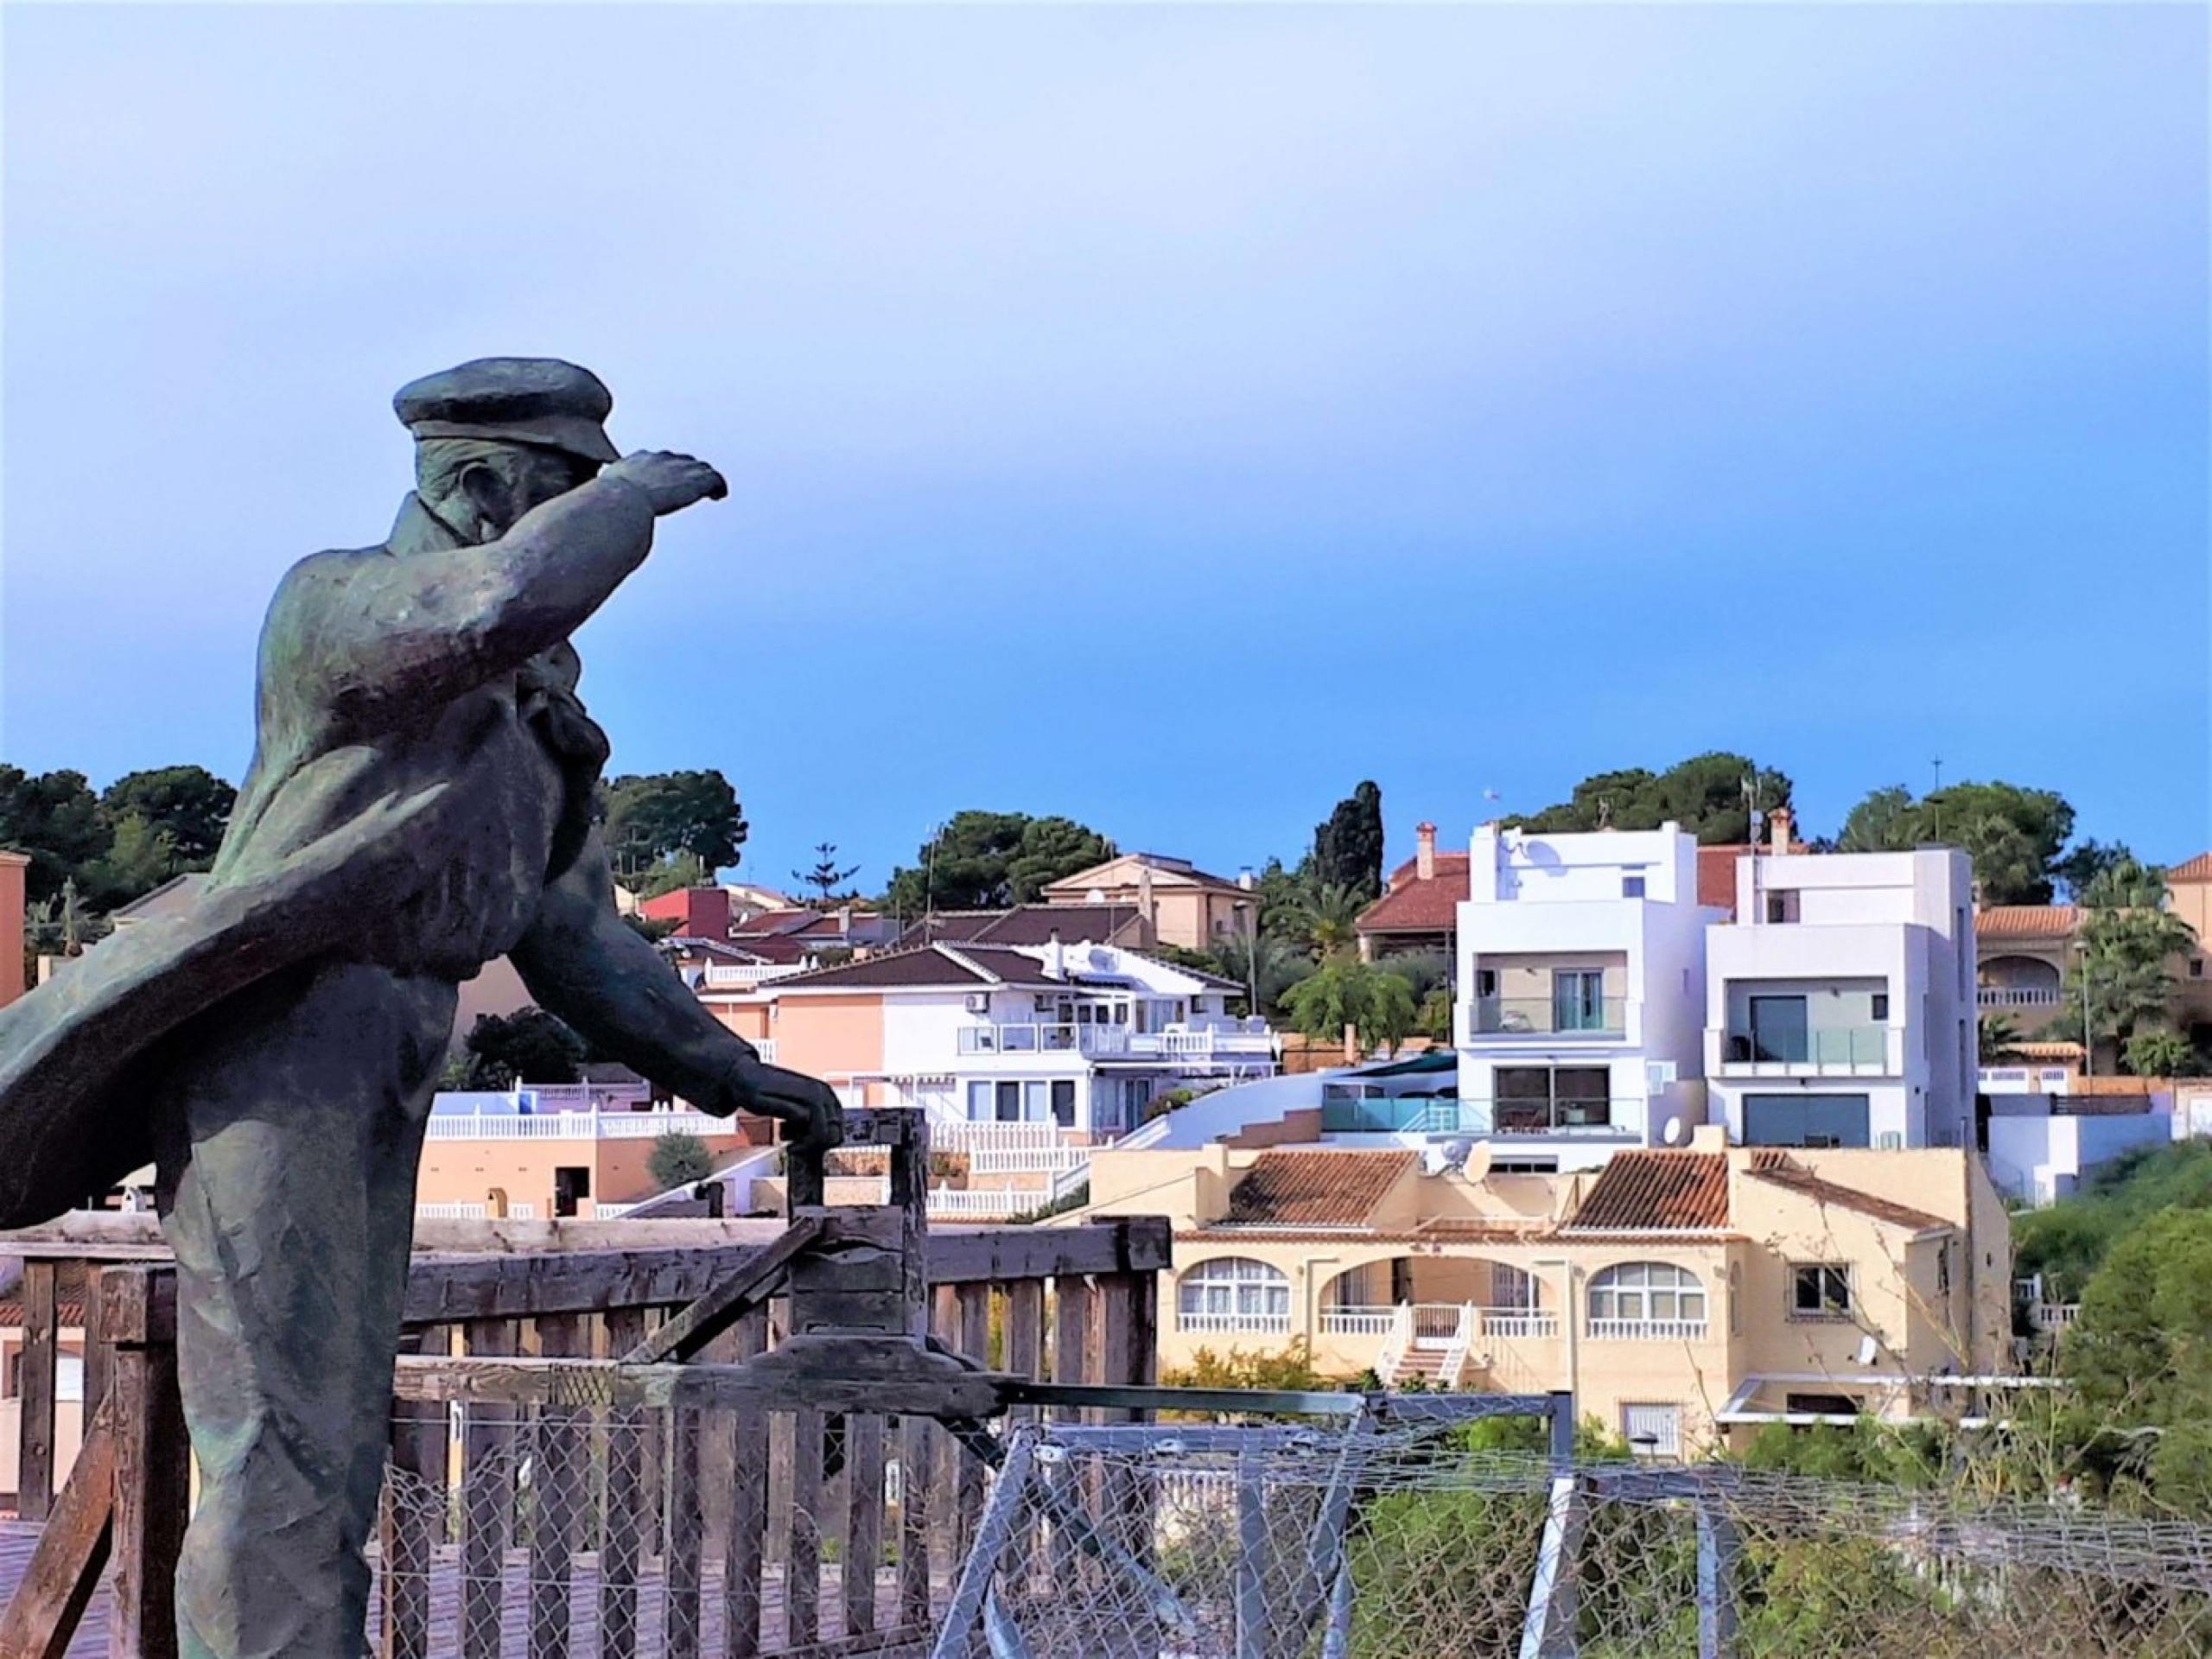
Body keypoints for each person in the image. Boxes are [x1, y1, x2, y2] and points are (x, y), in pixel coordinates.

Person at [0, 358, 840, 1656]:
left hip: (390, 1046)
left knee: (330, 1437)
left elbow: (575, 936)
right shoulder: (341, 604)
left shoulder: (530, 708)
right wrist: (631, 502)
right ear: (479, 484)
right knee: (276, 1436)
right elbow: (494, 601)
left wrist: (729, 1068)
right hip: (277, 1044)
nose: (584, 526)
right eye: (564, 491)